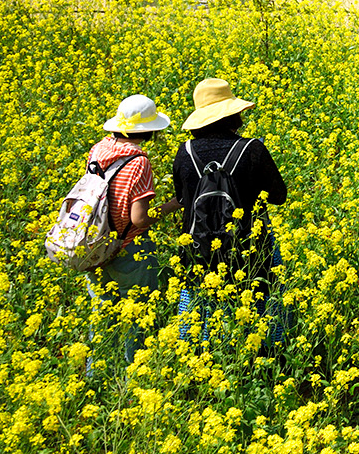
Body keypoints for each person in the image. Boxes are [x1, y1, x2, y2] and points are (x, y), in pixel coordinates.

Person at [174, 78, 289, 343]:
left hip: (198, 246)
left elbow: (182, 197)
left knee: (199, 307)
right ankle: (264, 351)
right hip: (249, 245)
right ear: (229, 115)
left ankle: (199, 356)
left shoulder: (185, 151)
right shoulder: (252, 149)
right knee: (261, 303)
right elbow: (279, 196)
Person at [85, 95, 182, 366]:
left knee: (102, 312)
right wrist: (173, 205)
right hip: (129, 249)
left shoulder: (98, 150)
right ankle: (133, 373)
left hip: (95, 243)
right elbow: (139, 218)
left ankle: (97, 374)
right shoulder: (138, 161)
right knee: (137, 313)